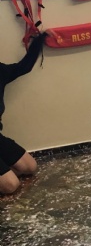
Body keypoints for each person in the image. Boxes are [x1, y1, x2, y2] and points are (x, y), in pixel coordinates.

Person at [0, 33, 46, 195]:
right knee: (10, 185)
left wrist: (40, 39)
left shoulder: (1, 71)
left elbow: (24, 67)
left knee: (29, 167)